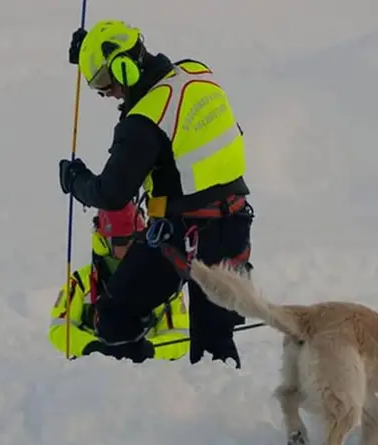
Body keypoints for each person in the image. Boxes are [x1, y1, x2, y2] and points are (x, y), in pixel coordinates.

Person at [58, 19, 254, 367]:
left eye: (105, 83)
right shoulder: (196, 72)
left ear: (124, 68)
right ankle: (218, 406)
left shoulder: (143, 121)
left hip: (183, 235)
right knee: (215, 344)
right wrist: (90, 51)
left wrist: (75, 180)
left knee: (115, 314)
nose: (109, 94)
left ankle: (133, 389)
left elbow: (112, 193)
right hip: (235, 224)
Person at [48, 202, 190, 361]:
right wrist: (94, 348)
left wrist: (148, 350)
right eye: (121, 241)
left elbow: (180, 336)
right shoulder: (81, 282)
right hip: (92, 371)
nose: (130, 246)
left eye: (135, 239)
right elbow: (59, 328)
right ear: (104, 242)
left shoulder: (163, 282)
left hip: (145, 374)